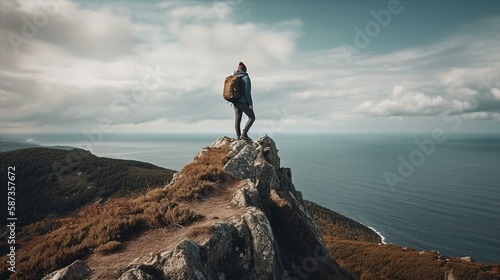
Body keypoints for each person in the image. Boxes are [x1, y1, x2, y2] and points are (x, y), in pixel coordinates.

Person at [232, 62, 255, 140]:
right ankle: (244, 134)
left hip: (235, 101)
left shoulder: (234, 77)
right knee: (252, 117)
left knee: (237, 119)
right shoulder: (245, 77)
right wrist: (250, 103)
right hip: (243, 101)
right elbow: (247, 92)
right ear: (245, 70)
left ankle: (238, 136)